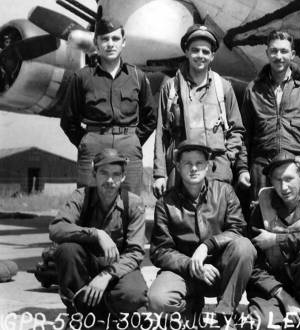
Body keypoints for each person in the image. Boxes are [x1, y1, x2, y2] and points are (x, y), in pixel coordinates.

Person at [148, 140, 256, 329]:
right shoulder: (165, 203)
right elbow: (160, 251)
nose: (194, 168)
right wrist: (191, 265)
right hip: (184, 272)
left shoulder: (225, 191)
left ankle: (225, 314)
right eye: (187, 163)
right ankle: (190, 309)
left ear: (208, 166)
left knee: (245, 247)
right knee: (158, 300)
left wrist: (207, 246)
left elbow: (238, 229)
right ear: (178, 167)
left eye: (199, 163)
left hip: (219, 271)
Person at [60, 17, 156, 195]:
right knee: (89, 202)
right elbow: (68, 120)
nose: (110, 44)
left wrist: (133, 141)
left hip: (129, 145)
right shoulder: (82, 77)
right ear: (96, 43)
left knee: (131, 202)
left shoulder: (137, 76)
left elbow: (151, 118)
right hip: (94, 144)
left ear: (123, 42)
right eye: (104, 39)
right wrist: (86, 142)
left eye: (115, 39)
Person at [238, 30, 300, 217]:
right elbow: (244, 134)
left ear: (292, 55)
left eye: (284, 51)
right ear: (267, 53)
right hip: (263, 169)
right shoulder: (253, 90)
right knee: (262, 223)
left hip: (299, 164)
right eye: (274, 51)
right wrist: (242, 168)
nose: (279, 56)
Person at [49, 148, 147, 318]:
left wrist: (106, 275)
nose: (110, 180)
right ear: (94, 174)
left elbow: (136, 252)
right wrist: (96, 233)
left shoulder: (133, 204)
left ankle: (104, 312)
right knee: (66, 250)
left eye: (116, 174)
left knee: (134, 295)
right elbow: (57, 228)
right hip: (86, 267)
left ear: (123, 177)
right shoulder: (81, 197)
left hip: (118, 270)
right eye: (104, 173)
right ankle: (79, 311)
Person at [153, 24, 245, 197]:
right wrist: (159, 174)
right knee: (180, 220)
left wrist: (228, 158)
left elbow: (236, 129)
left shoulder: (223, 87)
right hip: (182, 169)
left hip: (217, 169)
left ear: (212, 56)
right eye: (195, 50)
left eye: (205, 52)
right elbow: (161, 134)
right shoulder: (170, 88)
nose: (200, 56)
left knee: (216, 219)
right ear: (186, 52)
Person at [246, 152, 300, 327]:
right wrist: (284, 297)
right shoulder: (260, 206)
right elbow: (255, 264)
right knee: (265, 324)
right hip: (272, 284)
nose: (284, 187)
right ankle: (286, 305)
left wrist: (277, 239)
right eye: (277, 180)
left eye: (289, 178)